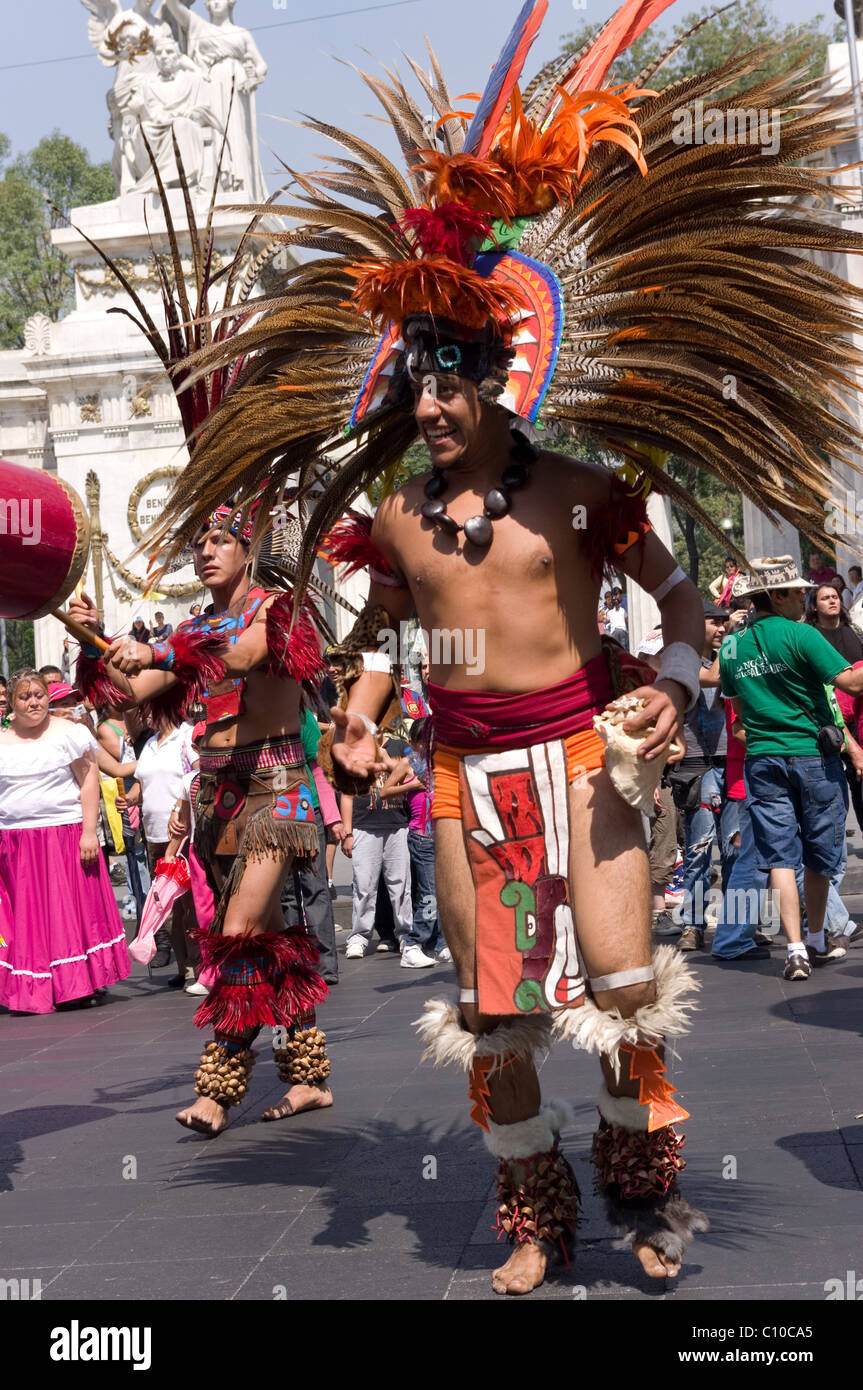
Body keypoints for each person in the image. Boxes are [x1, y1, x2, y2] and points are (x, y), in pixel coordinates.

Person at [136, 0, 863, 1296]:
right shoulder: (404, 521)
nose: (423, 405)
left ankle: (651, 1195)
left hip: (586, 760)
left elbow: (682, 597)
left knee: (623, 989)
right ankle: (532, 1213)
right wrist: (359, 708)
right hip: (466, 784)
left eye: (444, 381)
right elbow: (389, 635)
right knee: (497, 1014)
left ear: (492, 374)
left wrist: (679, 687)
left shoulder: (576, 490)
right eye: (411, 383)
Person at [70, 503, 333, 1137]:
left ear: (247, 550)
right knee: (268, 935)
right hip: (218, 794)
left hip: (278, 790)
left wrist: (158, 644)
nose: (207, 552)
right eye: (200, 543)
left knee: (238, 929)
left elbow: (240, 658)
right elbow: (132, 692)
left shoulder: (277, 609)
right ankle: (309, 1075)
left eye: (220, 540)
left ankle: (219, 1084)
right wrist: (95, 640)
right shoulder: (195, 626)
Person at [719, 556, 863, 981]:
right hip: (813, 757)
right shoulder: (800, 634)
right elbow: (851, 683)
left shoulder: (730, 647)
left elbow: (740, 720)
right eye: (797, 591)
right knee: (819, 855)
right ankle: (816, 936)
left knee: (781, 857)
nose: (804, 597)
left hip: (762, 760)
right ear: (776, 595)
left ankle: (797, 949)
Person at [0, 669, 130, 1013]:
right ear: (12, 703)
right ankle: (32, 985)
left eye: (39, 695)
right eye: (25, 697)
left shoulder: (69, 733)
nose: (33, 702)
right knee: (27, 918)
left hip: (63, 833)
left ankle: (74, 985)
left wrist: (90, 831)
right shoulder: (1, 739)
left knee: (65, 912)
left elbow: (88, 780)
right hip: (15, 840)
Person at [669, 604, 736, 951]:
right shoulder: (687, 660)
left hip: (733, 762)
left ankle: (741, 925)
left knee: (737, 851)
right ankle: (693, 925)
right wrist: (731, 644)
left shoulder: (732, 655)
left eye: (726, 621)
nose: (723, 627)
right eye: (715, 621)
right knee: (699, 849)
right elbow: (711, 679)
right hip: (699, 764)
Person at [124, 717, 200, 993]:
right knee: (167, 909)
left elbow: (197, 776)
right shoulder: (150, 743)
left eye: (150, 707)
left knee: (188, 906)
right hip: (154, 835)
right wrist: (131, 798)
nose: (144, 715)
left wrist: (180, 809)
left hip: (180, 836)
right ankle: (183, 967)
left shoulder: (186, 737)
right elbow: (143, 783)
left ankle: (197, 967)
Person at [340, 732, 415, 961]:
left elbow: (414, 774)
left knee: (401, 885)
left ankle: (406, 934)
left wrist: (387, 759)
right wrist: (348, 832)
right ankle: (359, 937)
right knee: (364, 885)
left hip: (397, 824)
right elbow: (347, 794)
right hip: (364, 826)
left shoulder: (401, 747)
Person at [382, 718, 451, 967]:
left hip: (443, 836)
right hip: (421, 838)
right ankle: (412, 943)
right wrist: (412, 784)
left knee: (445, 893)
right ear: (415, 742)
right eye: (425, 740)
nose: (430, 744)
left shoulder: (441, 761)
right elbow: (384, 790)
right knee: (430, 895)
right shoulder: (409, 763)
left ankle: (442, 944)